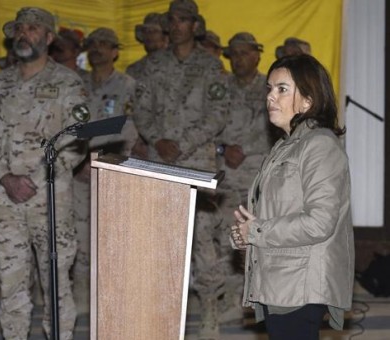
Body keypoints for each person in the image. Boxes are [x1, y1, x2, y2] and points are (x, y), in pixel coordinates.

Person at [0, 7, 87, 340]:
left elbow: (77, 140)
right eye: (19, 29)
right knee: (10, 283)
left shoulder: (68, 83)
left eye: (33, 29)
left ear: (49, 38)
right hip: (5, 199)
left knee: (55, 283)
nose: (24, 34)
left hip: (51, 199)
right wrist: (5, 177)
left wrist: (37, 180)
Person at [230, 54, 354, 340]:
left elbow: (320, 222)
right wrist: (243, 235)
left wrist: (257, 230)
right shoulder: (283, 148)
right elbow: (271, 214)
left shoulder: (320, 145)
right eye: (269, 89)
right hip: (280, 280)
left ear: (308, 101)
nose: (271, 97)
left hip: (300, 284)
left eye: (282, 89)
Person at [132, 0, 228, 338]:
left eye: (183, 20)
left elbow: (218, 115)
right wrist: (158, 139)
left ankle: (210, 310)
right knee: (163, 239)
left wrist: (181, 143)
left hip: (197, 161)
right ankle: (164, 310)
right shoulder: (152, 66)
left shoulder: (211, 66)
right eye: (171, 20)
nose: (176, 26)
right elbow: (140, 111)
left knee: (202, 238)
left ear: (195, 26)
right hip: (160, 162)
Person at [72, 27, 139, 315]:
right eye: (93, 44)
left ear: (115, 51)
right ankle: (83, 299)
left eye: (104, 44)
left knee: (113, 235)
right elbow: (67, 125)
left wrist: (102, 158)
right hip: (78, 168)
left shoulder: (128, 85)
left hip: (113, 167)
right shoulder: (76, 84)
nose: (97, 48)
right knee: (79, 234)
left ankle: (113, 298)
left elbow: (131, 129)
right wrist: (79, 160)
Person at [215, 32, 271, 324]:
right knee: (228, 236)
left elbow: (276, 126)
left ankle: (255, 297)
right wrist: (224, 148)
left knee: (256, 238)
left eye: (244, 53)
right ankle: (233, 298)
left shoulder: (271, 87)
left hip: (257, 176)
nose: (238, 59)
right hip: (226, 174)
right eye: (233, 54)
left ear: (257, 55)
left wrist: (244, 149)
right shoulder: (219, 88)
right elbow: (207, 126)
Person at [125, 12, 169, 80]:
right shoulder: (134, 70)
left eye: (155, 31)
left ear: (165, 36)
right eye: (146, 31)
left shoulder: (179, 66)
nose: (149, 35)